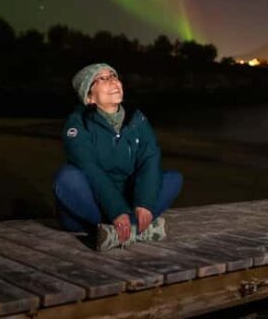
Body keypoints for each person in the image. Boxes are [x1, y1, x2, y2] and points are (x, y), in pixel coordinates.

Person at [53, 63, 182, 251]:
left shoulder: (137, 119)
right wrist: (117, 211)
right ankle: (133, 228)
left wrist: (144, 203)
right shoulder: (77, 125)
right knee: (66, 178)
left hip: (127, 197)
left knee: (173, 178)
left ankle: (119, 230)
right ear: (89, 97)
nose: (113, 81)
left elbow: (150, 160)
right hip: (90, 206)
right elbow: (90, 170)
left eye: (113, 76)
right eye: (103, 79)